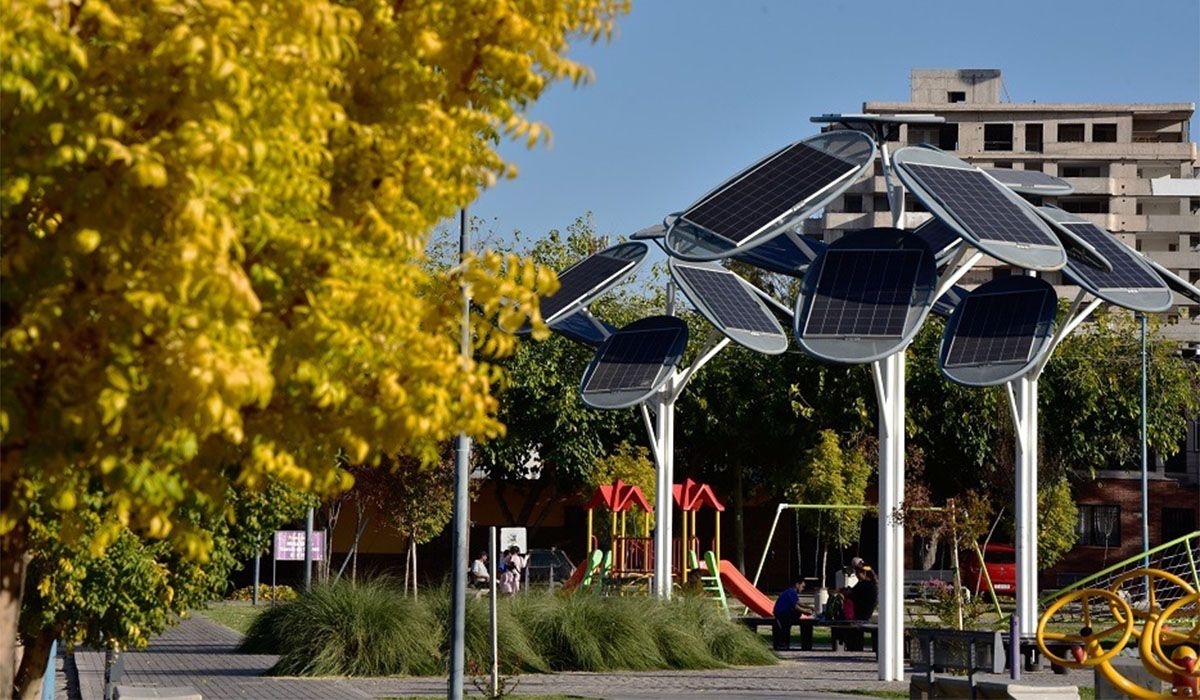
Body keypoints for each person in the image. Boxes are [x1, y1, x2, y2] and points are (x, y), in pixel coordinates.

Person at [772, 577, 807, 650]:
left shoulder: (790, 591)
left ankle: (783, 643)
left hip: (781, 613)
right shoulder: (792, 592)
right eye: (802, 586)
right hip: (782, 614)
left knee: (795, 616)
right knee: (789, 623)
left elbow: (798, 602)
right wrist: (805, 611)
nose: (803, 589)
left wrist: (809, 607)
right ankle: (783, 643)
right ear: (797, 584)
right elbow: (796, 607)